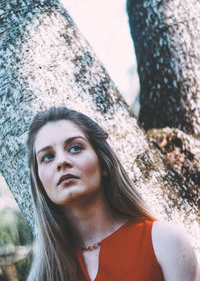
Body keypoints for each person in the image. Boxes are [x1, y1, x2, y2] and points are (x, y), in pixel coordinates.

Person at [27, 106, 199, 281]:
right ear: (39, 182)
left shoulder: (166, 242)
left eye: (75, 148)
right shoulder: (44, 275)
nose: (62, 161)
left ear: (104, 164)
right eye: (47, 157)